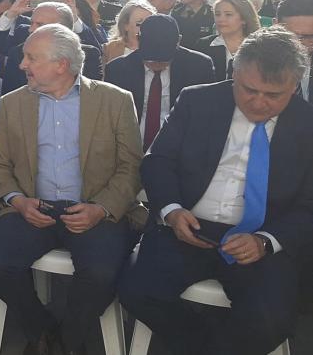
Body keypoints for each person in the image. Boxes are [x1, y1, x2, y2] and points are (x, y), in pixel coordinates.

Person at [119, 27, 313, 355]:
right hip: (187, 227)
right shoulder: (198, 100)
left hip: (261, 237)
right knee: (136, 291)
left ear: (294, 87)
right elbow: (158, 161)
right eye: (249, 90)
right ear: (234, 74)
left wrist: (267, 241)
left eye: (274, 95)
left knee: (272, 319)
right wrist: (171, 209)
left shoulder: (307, 124)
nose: (259, 102)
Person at [0, 23, 144, 355]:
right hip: (31, 208)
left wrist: (100, 208)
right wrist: (18, 201)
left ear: (61, 65)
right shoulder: (14, 104)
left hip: (93, 209)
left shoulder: (114, 101)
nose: (22, 65)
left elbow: (132, 168)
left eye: (31, 58)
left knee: (101, 273)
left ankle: (67, 340)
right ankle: (41, 330)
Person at [105, 14, 215, 150]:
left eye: (163, 60)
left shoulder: (199, 67)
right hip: (131, 146)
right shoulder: (118, 70)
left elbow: (204, 117)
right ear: (138, 40)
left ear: (178, 41)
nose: (156, 64)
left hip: (180, 146)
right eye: (150, 60)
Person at [0, 1, 104, 95]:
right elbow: (11, 101)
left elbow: (94, 97)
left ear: (62, 29)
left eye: (40, 25)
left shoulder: (89, 55)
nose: (31, 29)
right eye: (31, 23)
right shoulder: (18, 54)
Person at [197, 0, 261, 82]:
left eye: (228, 14)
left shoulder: (259, 46)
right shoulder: (203, 45)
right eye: (217, 14)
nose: (221, 19)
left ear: (244, 19)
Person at [103, 0, 157, 64]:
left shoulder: (159, 49)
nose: (145, 27)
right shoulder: (109, 49)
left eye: (148, 22)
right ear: (126, 25)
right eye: (139, 22)